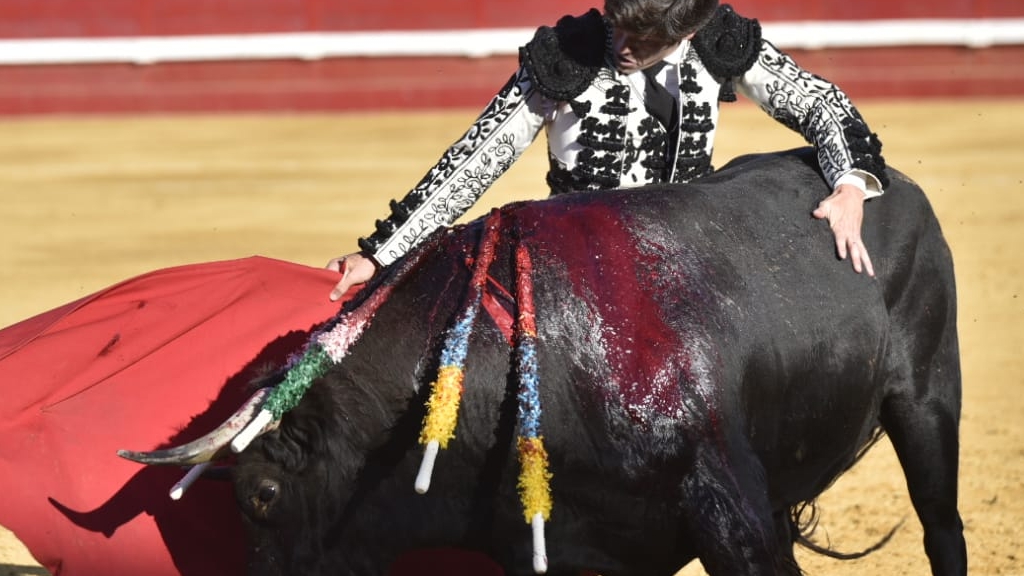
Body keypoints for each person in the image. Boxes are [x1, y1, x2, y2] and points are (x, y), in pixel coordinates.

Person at [327, 0, 889, 301]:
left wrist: (848, 186)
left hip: (693, 252)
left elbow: (821, 103)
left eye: (641, 43)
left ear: (687, 34)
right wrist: (381, 254)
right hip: (577, 262)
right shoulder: (568, 54)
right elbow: (479, 158)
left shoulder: (717, 40)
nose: (620, 48)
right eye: (617, 28)